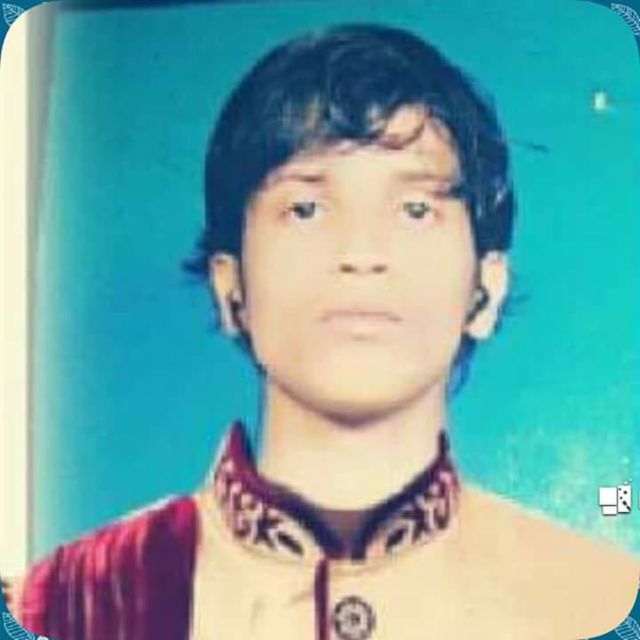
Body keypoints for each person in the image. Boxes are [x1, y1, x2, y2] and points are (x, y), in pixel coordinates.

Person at [14, 22, 639, 640]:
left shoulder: (600, 602)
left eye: (415, 209)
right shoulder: (68, 604)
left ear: (486, 289)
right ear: (231, 288)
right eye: (306, 209)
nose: (361, 253)